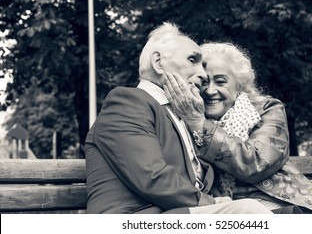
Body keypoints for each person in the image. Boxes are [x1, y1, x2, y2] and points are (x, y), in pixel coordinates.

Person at [84, 23, 272, 214]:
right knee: (247, 212)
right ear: (158, 62)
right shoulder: (127, 103)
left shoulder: (180, 114)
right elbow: (152, 176)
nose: (204, 75)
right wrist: (212, 203)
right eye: (193, 60)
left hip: (175, 216)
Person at [164, 42, 312, 214]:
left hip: (282, 207)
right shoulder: (183, 118)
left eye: (221, 82)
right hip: (225, 212)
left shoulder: (266, 109)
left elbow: (256, 163)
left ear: (240, 86)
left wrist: (199, 125)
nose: (210, 91)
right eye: (204, 82)